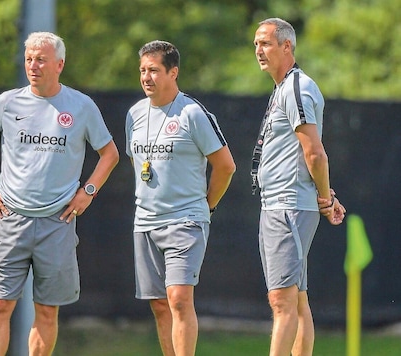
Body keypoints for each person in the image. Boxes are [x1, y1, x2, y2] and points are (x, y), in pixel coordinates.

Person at [0, 31, 119, 356]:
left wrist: (87, 191)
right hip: (11, 219)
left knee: (47, 310)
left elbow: (110, 154)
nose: (33, 66)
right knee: (0, 305)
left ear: (59, 64)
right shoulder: (8, 102)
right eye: (29, 59)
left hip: (57, 223)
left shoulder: (81, 106)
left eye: (41, 59)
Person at [125, 40, 236, 355]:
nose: (147, 77)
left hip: (185, 220)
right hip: (145, 222)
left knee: (178, 298)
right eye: (143, 70)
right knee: (160, 304)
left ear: (173, 72)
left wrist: (206, 206)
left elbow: (226, 166)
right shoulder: (133, 114)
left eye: (155, 70)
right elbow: (138, 164)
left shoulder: (193, 113)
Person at [251, 18, 347, 356]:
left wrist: (324, 197)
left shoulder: (297, 87)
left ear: (287, 46)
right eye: (256, 44)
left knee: (282, 301)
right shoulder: (284, 88)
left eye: (265, 43)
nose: (258, 50)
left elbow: (315, 153)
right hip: (282, 204)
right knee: (296, 298)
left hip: (288, 205)